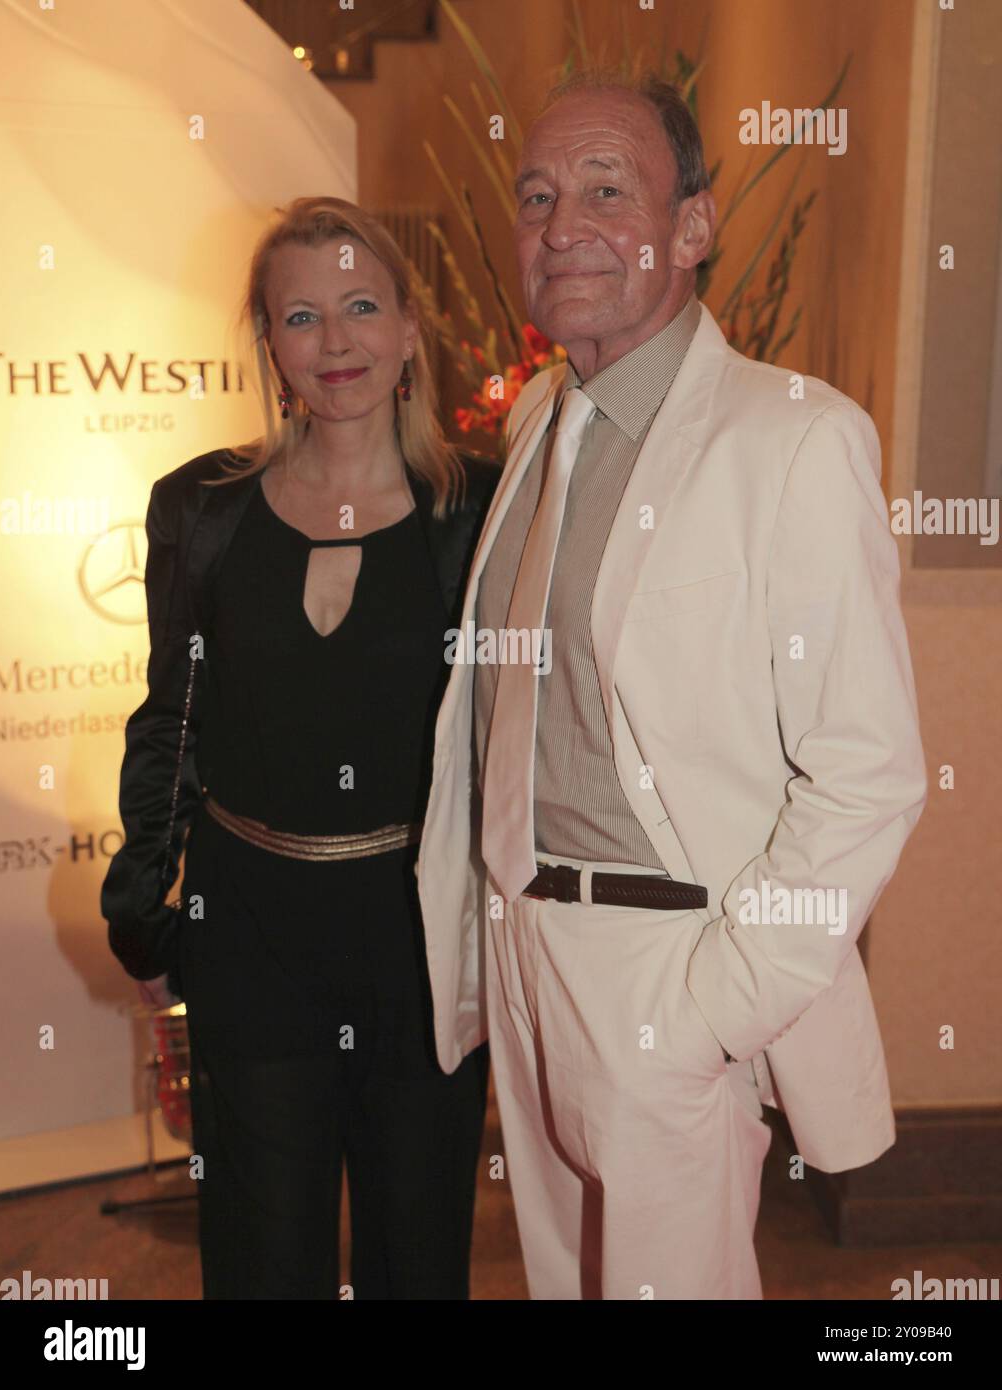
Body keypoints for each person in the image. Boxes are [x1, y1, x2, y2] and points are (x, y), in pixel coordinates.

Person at [414, 71, 928, 1299]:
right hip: (532, 953)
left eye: (607, 187)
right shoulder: (543, 416)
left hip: (673, 965)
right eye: (538, 196)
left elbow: (867, 777)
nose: (561, 223)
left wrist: (713, 1009)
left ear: (691, 228)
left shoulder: (795, 440)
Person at [101, 197, 497, 1300]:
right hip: (251, 937)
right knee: (261, 1258)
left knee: (416, 1260)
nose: (337, 344)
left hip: (420, 944)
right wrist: (145, 897)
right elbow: (171, 712)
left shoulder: (481, 508)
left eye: (363, 307)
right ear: (269, 344)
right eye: (304, 316)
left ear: (411, 330)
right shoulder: (202, 511)